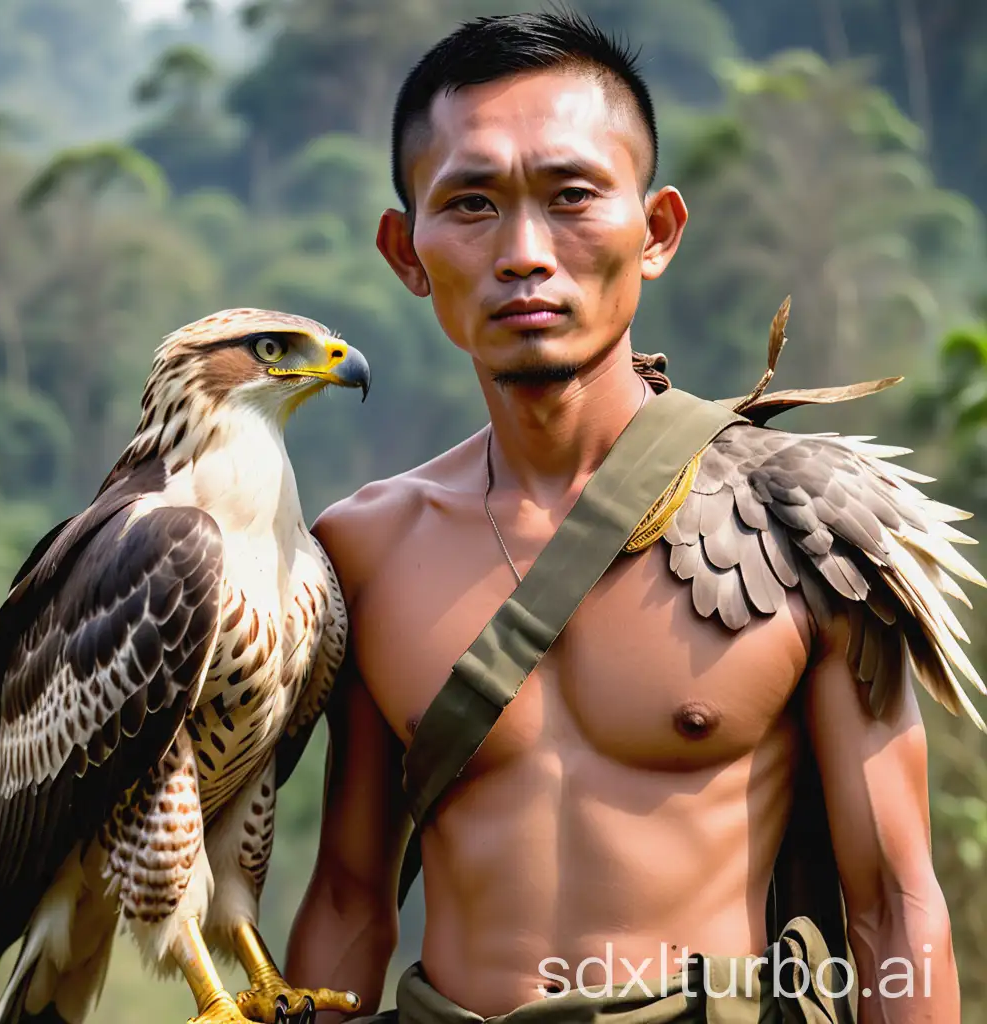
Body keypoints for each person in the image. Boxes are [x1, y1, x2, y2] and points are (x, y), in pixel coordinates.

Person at [284, 11, 973, 1023]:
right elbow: (349, 898)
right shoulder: (363, 549)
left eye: (570, 197)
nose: (524, 252)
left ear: (655, 232)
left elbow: (893, 905)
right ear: (406, 252)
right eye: (470, 205)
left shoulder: (803, 533)